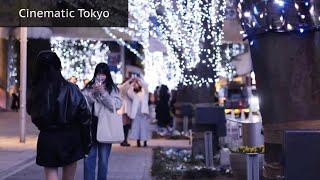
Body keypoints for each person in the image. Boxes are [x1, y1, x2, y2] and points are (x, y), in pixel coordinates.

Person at [27, 51, 91, 180]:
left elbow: (31, 112)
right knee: (68, 177)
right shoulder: (72, 89)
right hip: (70, 137)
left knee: (50, 174)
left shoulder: (35, 91)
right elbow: (85, 117)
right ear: (58, 66)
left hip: (47, 137)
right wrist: (86, 143)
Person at [82, 63, 122, 180]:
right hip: (90, 127)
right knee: (88, 159)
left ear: (107, 75)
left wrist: (103, 93)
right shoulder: (89, 86)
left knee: (103, 161)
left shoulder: (113, 88)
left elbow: (116, 105)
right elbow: (82, 102)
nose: (101, 76)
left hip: (106, 127)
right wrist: (92, 94)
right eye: (99, 73)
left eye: (103, 73)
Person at [127, 77, 150, 147]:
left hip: (143, 113)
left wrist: (139, 80)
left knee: (144, 127)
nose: (135, 85)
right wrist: (132, 83)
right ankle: (138, 141)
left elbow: (145, 85)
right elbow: (129, 91)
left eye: (137, 84)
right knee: (137, 127)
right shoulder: (134, 94)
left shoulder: (145, 92)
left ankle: (145, 141)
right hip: (136, 113)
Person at [118, 78, 133, 146]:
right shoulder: (123, 88)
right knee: (125, 124)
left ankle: (124, 140)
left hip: (126, 108)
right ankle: (124, 140)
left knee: (126, 125)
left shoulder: (124, 88)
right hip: (125, 108)